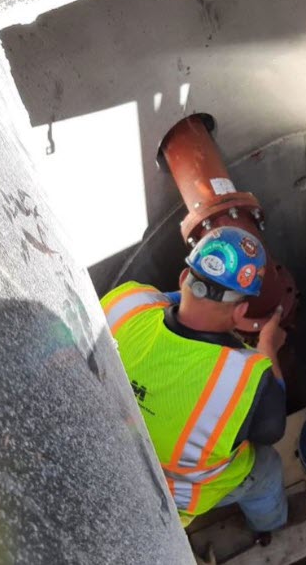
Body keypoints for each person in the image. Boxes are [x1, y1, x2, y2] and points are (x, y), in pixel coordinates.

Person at [101, 226, 289, 535]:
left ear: (182, 278)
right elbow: (272, 432)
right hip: (180, 497)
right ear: (242, 311)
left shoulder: (125, 301)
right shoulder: (246, 379)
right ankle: (272, 527)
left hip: (114, 461)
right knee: (266, 470)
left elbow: (161, 300)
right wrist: (267, 348)